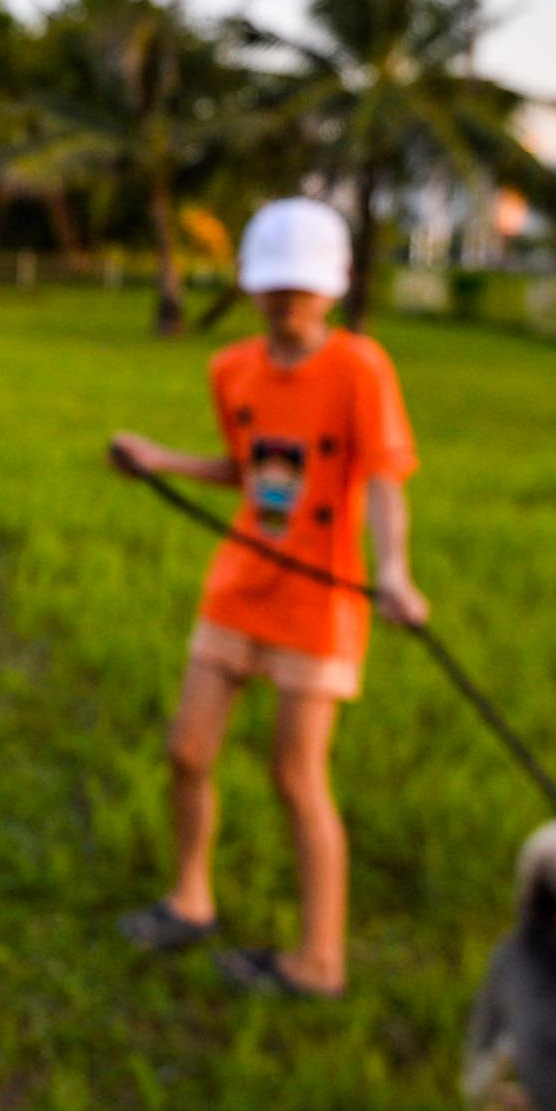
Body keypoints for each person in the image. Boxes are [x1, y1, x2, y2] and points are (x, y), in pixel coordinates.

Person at [105, 197, 427, 998]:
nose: (288, 302)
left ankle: (319, 959)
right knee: (187, 748)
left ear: (331, 287)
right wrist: (163, 461)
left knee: (295, 774)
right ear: (253, 287)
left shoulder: (359, 368)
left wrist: (393, 569)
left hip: (319, 605)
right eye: (275, 287)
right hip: (240, 585)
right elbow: (248, 471)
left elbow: (384, 476)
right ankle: (190, 896)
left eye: (302, 287)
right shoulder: (232, 369)